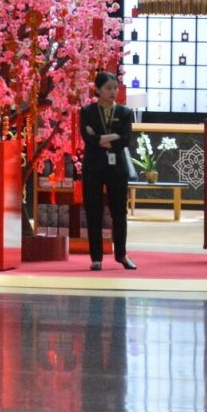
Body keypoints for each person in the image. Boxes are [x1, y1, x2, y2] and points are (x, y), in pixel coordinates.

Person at [79, 70, 137, 271]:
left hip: (117, 168)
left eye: (115, 88)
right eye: (108, 88)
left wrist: (100, 138)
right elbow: (88, 139)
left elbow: (125, 140)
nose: (113, 92)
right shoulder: (87, 111)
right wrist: (113, 137)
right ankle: (96, 258)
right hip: (93, 167)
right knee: (93, 210)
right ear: (97, 90)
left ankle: (121, 254)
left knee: (119, 212)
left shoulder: (124, 113)